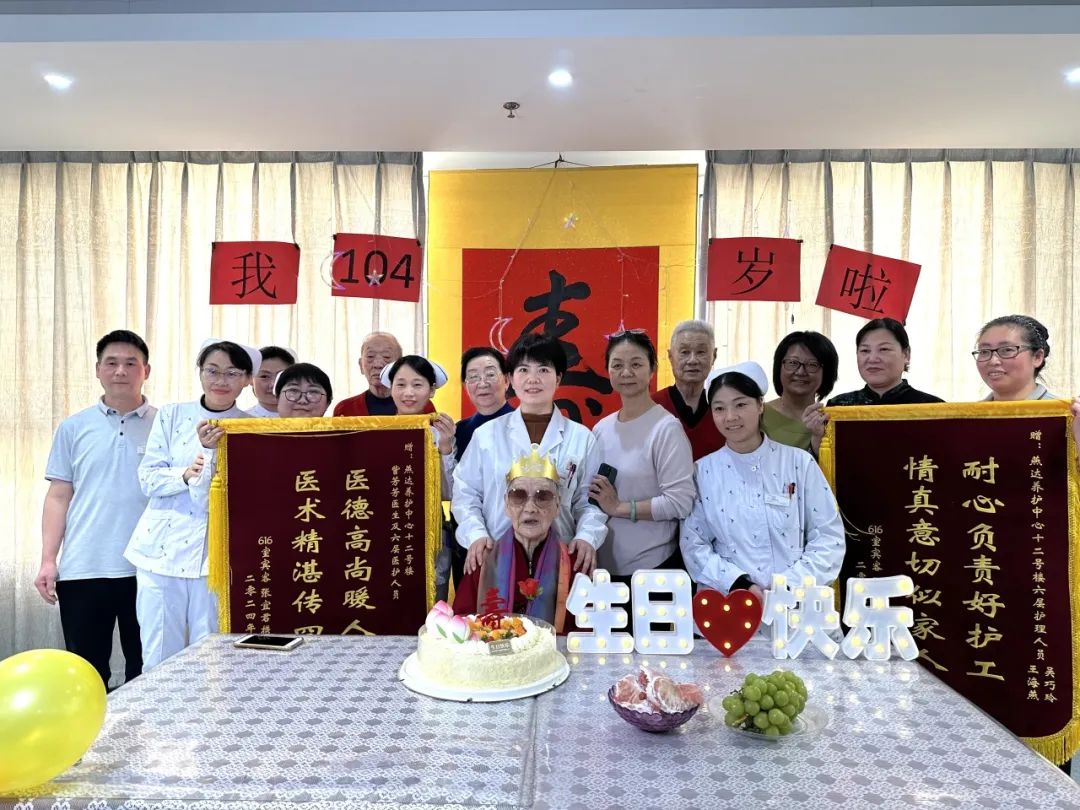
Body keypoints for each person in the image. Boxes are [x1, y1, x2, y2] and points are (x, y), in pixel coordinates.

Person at [124, 339, 257, 669]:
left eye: (232, 373)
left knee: (210, 655)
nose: (220, 380)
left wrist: (208, 459)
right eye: (212, 370)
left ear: (247, 379)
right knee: (158, 654)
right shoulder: (171, 415)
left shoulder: (250, 426)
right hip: (160, 552)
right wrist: (184, 474)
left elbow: (225, 496)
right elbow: (148, 479)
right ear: (200, 373)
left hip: (215, 558)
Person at [34, 330, 156, 688]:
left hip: (149, 567)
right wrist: (48, 560)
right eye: (111, 363)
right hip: (83, 567)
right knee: (86, 674)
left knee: (148, 670)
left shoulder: (165, 424)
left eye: (131, 363)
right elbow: (59, 496)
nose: (120, 371)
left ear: (146, 371)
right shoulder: (74, 427)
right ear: (98, 370)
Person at [681, 361, 845, 598]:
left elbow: (829, 538)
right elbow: (693, 544)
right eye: (719, 408)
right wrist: (740, 585)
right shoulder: (702, 472)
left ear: (760, 405)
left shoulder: (799, 463)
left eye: (740, 404)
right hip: (729, 602)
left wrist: (786, 586)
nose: (730, 417)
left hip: (796, 602)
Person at [453, 333, 606, 578]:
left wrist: (587, 536)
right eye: (523, 370)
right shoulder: (486, 436)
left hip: (561, 560)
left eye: (543, 370)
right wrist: (476, 535)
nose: (533, 379)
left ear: (558, 378)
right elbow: (465, 494)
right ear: (511, 379)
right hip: (496, 557)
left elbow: (589, 502)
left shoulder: (582, 438)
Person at [587, 330, 695, 583]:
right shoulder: (601, 429)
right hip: (604, 569)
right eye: (617, 365)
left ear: (652, 369)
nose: (626, 373)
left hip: (652, 569)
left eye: (636, 364)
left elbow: (680, 502)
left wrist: (619, 508)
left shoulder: (666, 429)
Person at [454, 445, 577, 631]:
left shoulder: (574, 563)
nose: (530, 508)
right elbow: (461, 625)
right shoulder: (483, 560)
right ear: (506, 504)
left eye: (543, 496)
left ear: (558, 505)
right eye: (518, 496)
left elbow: (585, 631)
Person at [804, 318, 943, 455]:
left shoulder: (933, 408)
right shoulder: (838, 407)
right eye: (865, 350)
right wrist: (817, 436)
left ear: (906, 354)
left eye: (884, 349)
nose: (872, 359)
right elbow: (823, 465)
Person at [442, 347, 515, 595]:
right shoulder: (459, 431)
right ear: (465, 386)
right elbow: (453, 490)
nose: (482, 383)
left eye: (490, 374)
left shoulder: (524, 427)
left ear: (507, 380)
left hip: (513, 537)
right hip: (468, 540)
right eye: (473, 377)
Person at [974, 314, 1080, 466]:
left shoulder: (1070, 416)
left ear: (1037, 357)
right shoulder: (968, 418)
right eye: (984, 351)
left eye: (1007, 350)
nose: (993, 360)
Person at [384, 354, 457, 492]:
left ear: (432, 390)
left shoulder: (440, 433)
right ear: (391, 389)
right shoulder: (377, 432)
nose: (408, 393)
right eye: (401, 384)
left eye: (417, 385)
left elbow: (449, 492)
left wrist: (445, 446)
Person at [652, 320, 724, 460]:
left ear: (714, 356)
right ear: (670, 356)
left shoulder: (724, 409)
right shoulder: (652, 406)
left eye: (701, 352)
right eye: (684, 352)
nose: (692, 360)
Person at [762, 331, 839, 453]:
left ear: (827, 373)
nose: (800, 372)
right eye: (792, 363)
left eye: (812, 365)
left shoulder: (831, 420)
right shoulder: (757, 415)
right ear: (779, 367)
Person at [334, 331, 435, 417]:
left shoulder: (420, 405)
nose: (377, 364)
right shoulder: (345, 409)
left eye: (386, 357)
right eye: (370, 356)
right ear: (361, 365)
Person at [249, 346, 295, 417]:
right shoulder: (239, 421)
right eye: (264, 376)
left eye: (280, 376)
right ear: (250, 379)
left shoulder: (308, 419)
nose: (273, 384)